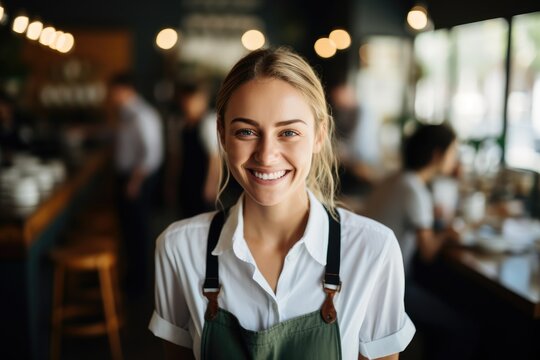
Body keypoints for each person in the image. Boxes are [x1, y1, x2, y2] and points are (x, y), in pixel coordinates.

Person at [148, 48, 415, 360]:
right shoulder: (178, 248)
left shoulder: (372, 249)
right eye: (246, 131)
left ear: (319, 135)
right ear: (221, 134)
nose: (266, 154)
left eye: (288, 132)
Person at [365, 123, 476, 360]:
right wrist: (447, 231)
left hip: (368, 281)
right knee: (463, 329)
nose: (456, 158)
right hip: (392, 290)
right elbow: (427, 252)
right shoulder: (415, 190)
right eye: (453, 151)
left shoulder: (393, 179)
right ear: (437, 155)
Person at [109, 73, 164, 295]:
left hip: (137, 178)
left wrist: (135, 181)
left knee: (138, 230)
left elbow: (152, 154)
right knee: (129, 230)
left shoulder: (143, 115)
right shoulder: (126, 114)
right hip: (127, 176)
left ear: (125, 90)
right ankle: (132, 276)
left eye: (113, 91)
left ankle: (139, 283)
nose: (110, 96)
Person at [165, 81, 220, 218]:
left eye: (193, 100)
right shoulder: (178, 123)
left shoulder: (208, 122)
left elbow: (215, 159)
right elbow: (176, 156)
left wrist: (211, 185)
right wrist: (171, 182)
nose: (188, 105)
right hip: (185, 177)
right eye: (185, 100)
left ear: (203, 101)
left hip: (202, 178)